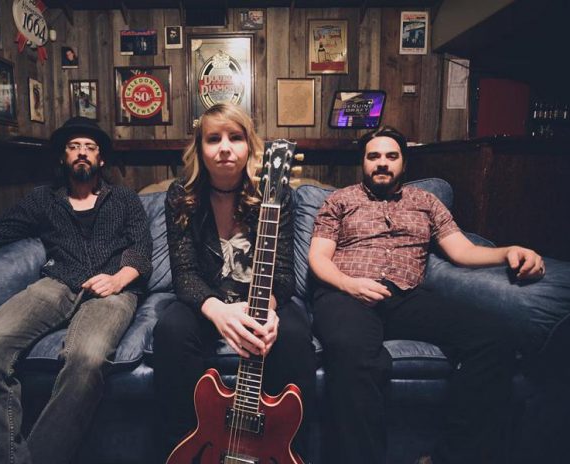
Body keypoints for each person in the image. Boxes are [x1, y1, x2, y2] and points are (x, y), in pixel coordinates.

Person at [0, 117, 153, 464]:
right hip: (56, 282)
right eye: (74, 146)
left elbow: (141, 251)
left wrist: (117, 280)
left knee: (87, 359)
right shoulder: (42, 200)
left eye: (90, 148)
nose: (82, 153)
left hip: (113, 289)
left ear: (101, 160)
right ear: (63, 157)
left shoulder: (124, 199)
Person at [308, 126, 545, 464]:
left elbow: (462, 250)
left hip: (405, 296)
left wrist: (508, 251)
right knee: (351, 351)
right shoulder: (340, 200)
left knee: (495, 335)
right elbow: (318, 257)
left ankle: (450, 456)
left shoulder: (426, 202)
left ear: (404, 163)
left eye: (391, 156)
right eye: (373, 156)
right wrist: (350, 285)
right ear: (362, 162)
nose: (382, 163)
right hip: (345, 293)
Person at [153, 103, 315, 460]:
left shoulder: (276, 195)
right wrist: (219, 312)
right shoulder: (181, 195)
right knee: (169, 331)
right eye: (213, 138)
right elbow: (184, 273)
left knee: (295, 336)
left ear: (249, 145)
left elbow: (284, 275)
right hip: (208, 301)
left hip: (259, 300)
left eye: (235, 137)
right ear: (200, 148)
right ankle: (191, 444)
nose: (225, 147)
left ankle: (284, 450)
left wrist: (268, 311)